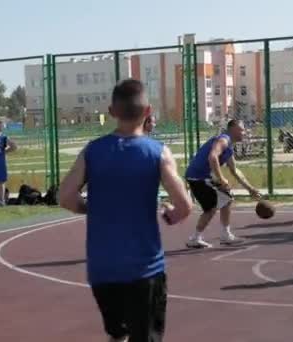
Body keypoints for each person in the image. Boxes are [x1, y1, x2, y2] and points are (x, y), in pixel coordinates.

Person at [59, 79, 192, 342]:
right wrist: (171, 214)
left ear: (111, 112)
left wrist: (90, 207)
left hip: (102, 270)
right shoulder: (158, 153)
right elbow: (185, 206)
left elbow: (65, 197)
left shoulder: (92, 151)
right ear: (148, 112)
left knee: (118, 335)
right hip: (144, 269)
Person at [184, 119, 261, 249]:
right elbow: (212, 157)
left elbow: (235, 170)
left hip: (203, 177)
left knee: (226, 199)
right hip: (198, 177)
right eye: (241, 129)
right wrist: (221, 178)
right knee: (211, 209)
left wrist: (250, 189)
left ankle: (225, 235)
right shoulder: (224, 140)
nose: (244, 132)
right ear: (232, 129)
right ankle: (195, 238)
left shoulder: (229, 147)